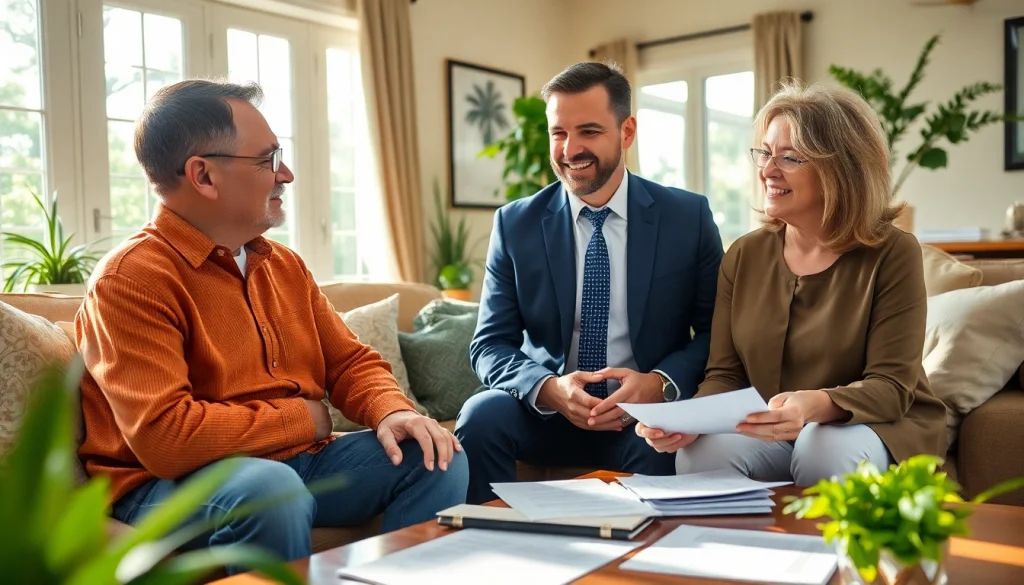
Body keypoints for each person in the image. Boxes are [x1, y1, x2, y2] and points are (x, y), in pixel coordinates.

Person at [75, 79, 468, 571]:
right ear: (203, 175)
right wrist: (303, 418)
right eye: (267, 159)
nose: (286, 173)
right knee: (271, 489)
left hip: (292, 466)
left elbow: (350, 362)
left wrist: (394, 412)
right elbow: (165, 439)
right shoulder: (131, 278)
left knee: (436, 454)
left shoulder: (283, 265)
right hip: (165, 489)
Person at [636, 80, 947, 485]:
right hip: (773, 429)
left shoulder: (894, 252)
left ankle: (833, 551)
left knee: (822, 446)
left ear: (841, 168)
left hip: (873, 424)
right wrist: (689, 420)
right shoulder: (744, 255)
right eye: (764, 153)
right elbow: (725, 375)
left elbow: (891, 388)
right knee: (702, 450)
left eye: (789, 157)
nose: (767, 170)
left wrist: (815, 405)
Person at [455, 62, 724, 504]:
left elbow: (719, 332)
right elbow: (489, 344)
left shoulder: (687, 218)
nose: (570, 149)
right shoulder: (515, 223)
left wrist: (660, 381)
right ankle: (491, 547)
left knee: (666, 447)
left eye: (589, 132)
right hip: (546, 413)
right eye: (558, 133)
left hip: (643, 418)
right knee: (481, 414)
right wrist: (548, 389)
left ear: (627, 131)